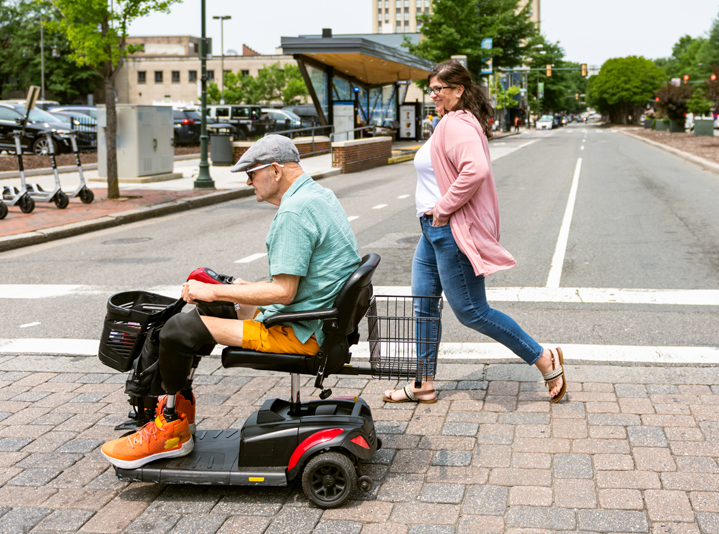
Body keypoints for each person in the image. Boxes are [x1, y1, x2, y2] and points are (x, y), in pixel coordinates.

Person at [102, 135, 362, 468]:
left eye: (252, 173)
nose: (248, 181)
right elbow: (300, 284)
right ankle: (176, 417)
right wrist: (239, 289)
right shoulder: (319, 196)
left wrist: (216, 291)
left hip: (297, 332)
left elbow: (284, 292)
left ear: (275, 171)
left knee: (178, 328)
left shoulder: (293, 214)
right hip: (315, 321)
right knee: (209, 311)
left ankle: (168, 429)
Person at [383, 60, 566, 405]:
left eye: (439, 89)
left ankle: (543, 358)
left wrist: (443, 207)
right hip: (431, 231)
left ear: (458, 90)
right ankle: (423, 383)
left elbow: (476, 170)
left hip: (448, 229)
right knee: (424, 305)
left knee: (472, 312)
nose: (433, 95)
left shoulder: (457, 124)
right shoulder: (448, 122)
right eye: (431, 88)